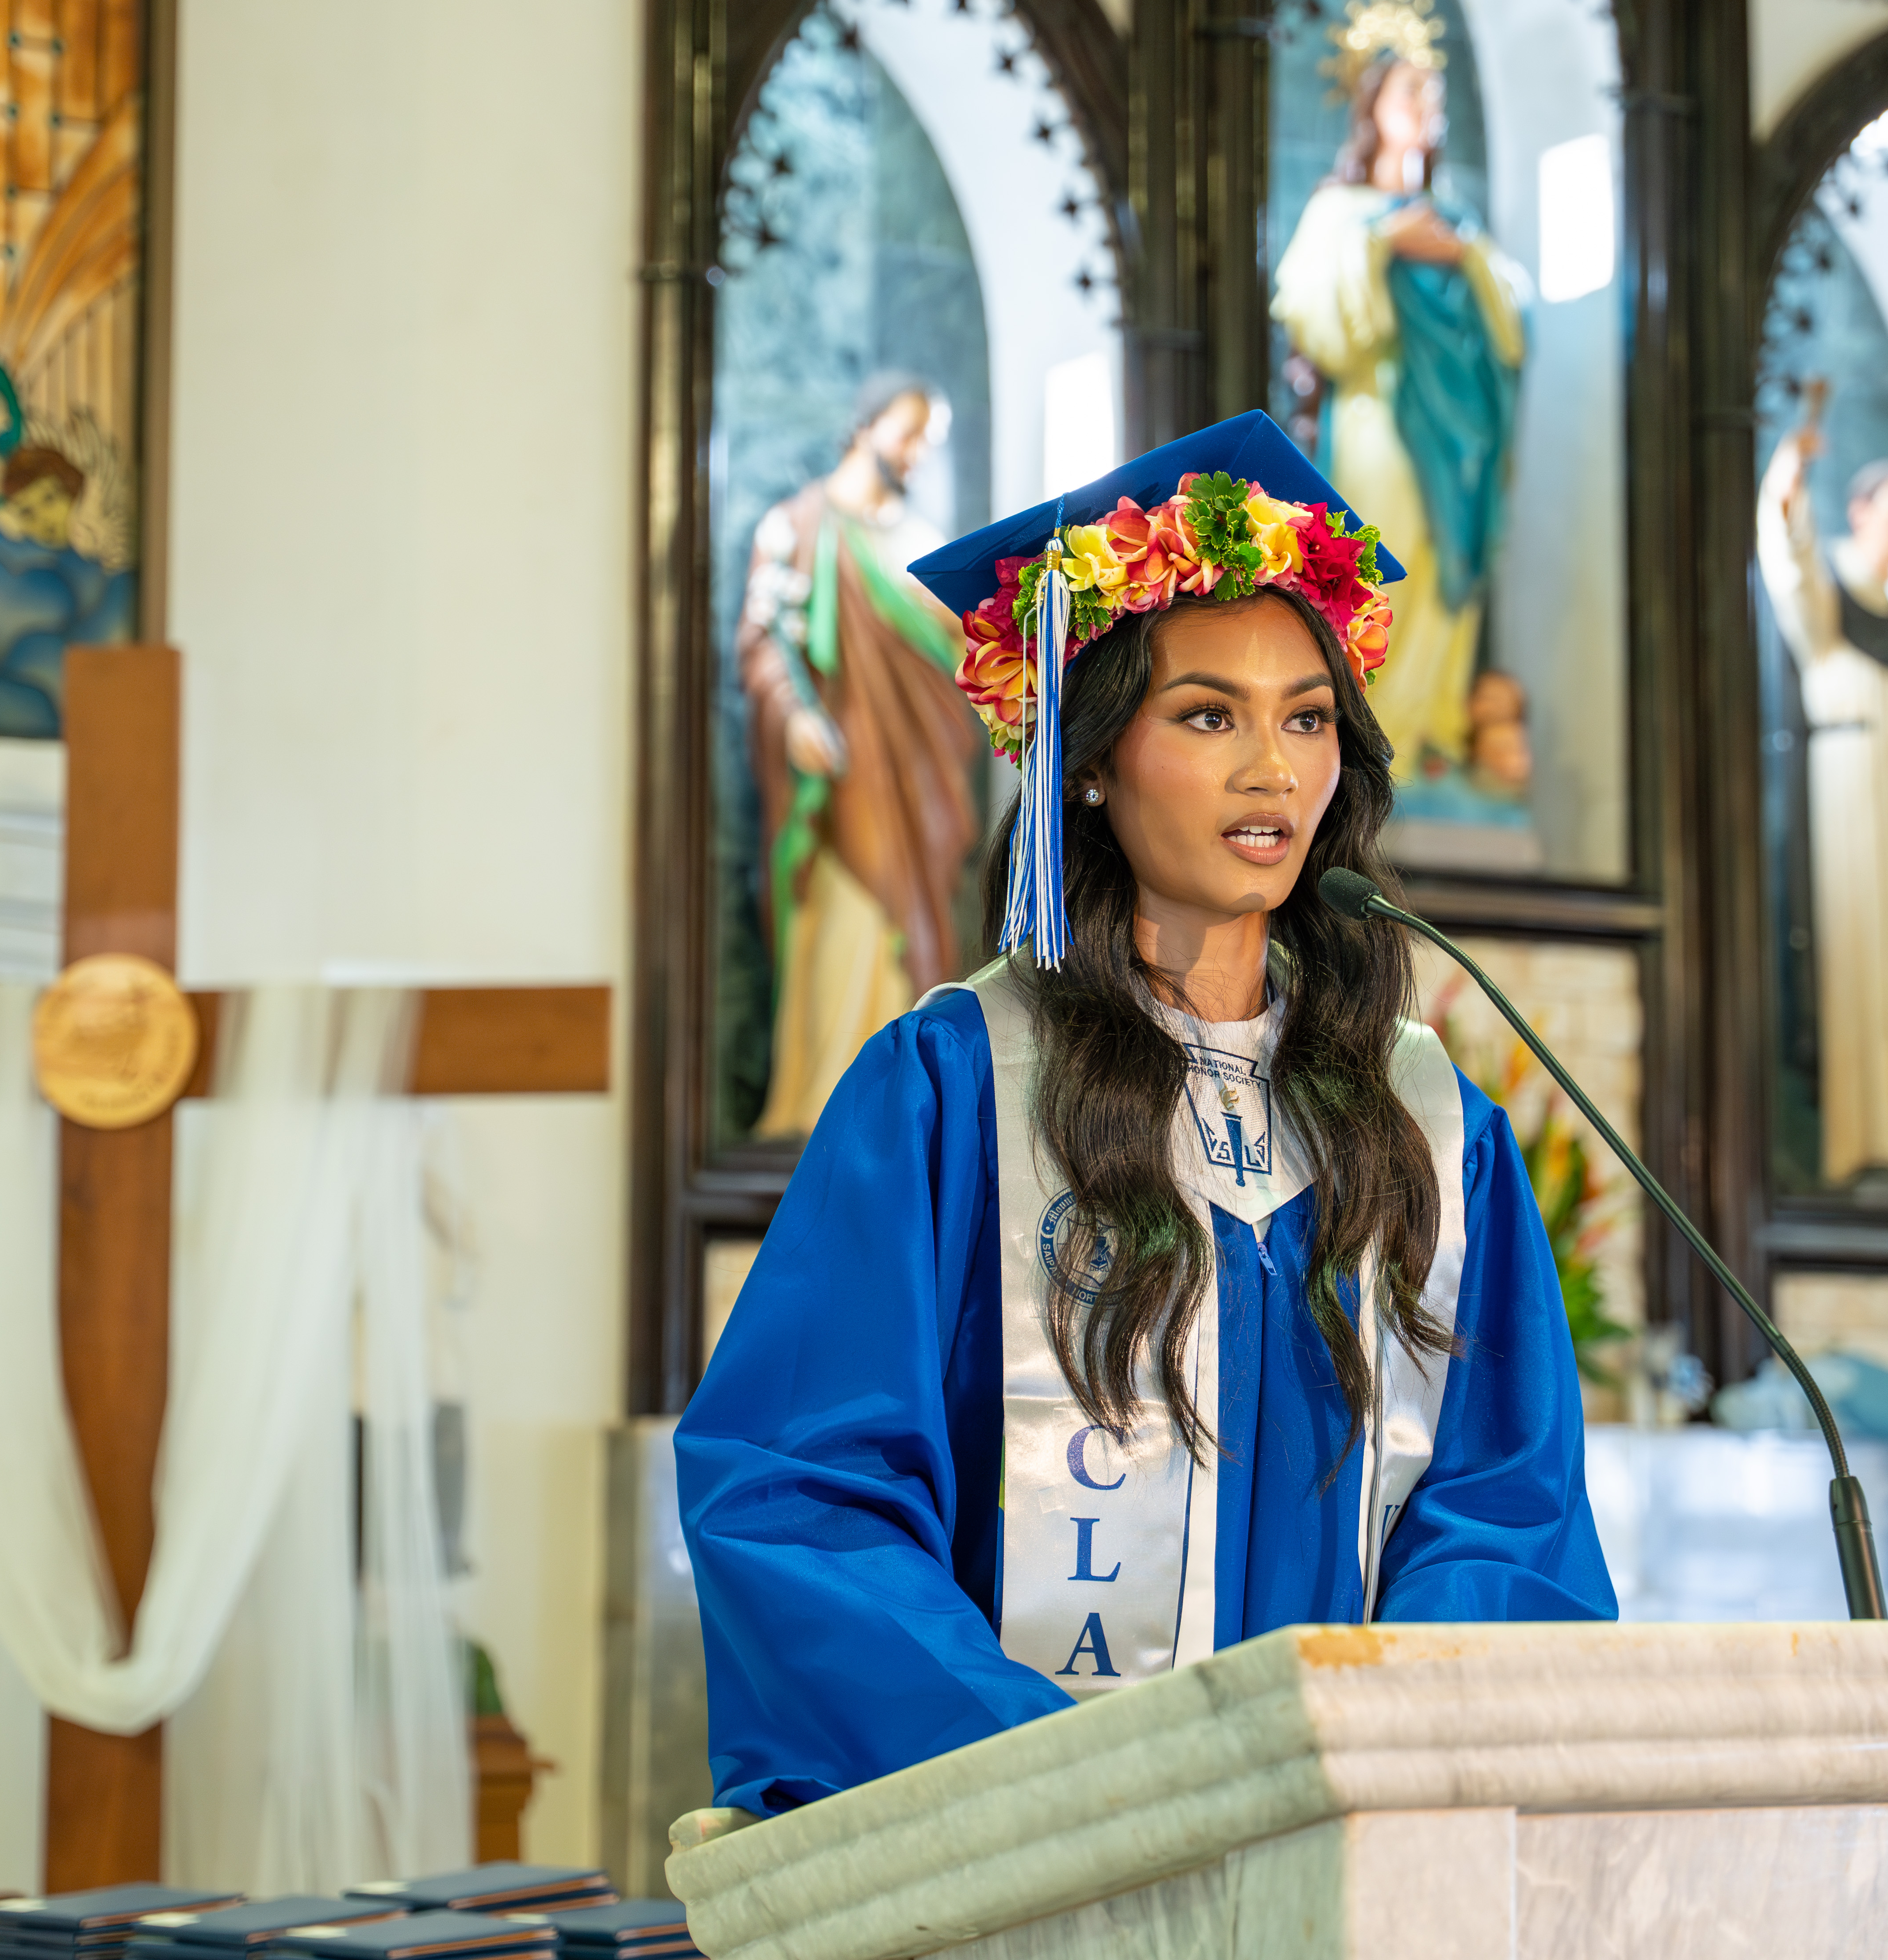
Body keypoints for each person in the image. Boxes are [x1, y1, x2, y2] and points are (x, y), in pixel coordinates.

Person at [678, 412, 1616, 1817]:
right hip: (1038, 1862)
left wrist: (1367, 1771)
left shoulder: (1430, 1127)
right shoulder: (951, 1091)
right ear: (1092, 761)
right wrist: (1084, 1790)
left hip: (1347, 1862)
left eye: (1307, 717)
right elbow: (803, 1504)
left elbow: (1506, 1515)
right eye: (1208, 716)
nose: (1275, 770)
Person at [1270, 0, 1525, 792]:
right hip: (1380, 421)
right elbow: (1312, 313)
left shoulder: (1459, 226)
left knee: (1449, 570)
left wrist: (1463, 258)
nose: (1426, 110)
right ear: (1371, 109)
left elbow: (1509, 337)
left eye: (1434, 96)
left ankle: (1432, 736)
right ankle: (1373, 749)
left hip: (1463, 439)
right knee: (1385, 571)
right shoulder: (1341, 212)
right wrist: (1383, 243)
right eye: (1408, 93)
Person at [736, 375, 988, 1136]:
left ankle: (901, 1127)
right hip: (843, 791)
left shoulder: (915, 542)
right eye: (907, 434)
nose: (914, 454)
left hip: (916, 794)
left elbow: (958, 655)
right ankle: (824, 1116)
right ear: (866, 426)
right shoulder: (798, 528)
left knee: (916, 952)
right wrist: (791, 719)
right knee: (845, 935)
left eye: (926, 442)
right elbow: (763, 647)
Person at [1756, 382, 1888, 1187]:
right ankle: (1865, 1141)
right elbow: (1788, 558)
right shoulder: (1832, 583)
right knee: (1864, 959)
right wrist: (1788, 476)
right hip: (1852, 788)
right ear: (1863, 508)